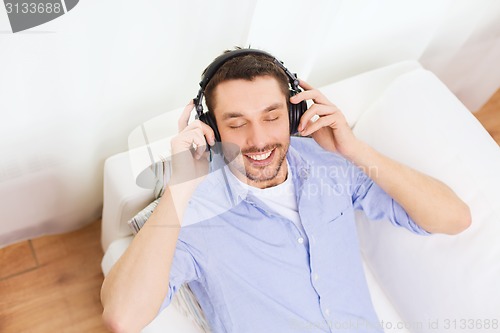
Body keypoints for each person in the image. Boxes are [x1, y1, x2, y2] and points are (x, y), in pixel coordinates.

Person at [100, 48, 471, 333]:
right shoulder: (193, 211)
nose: (259, 139)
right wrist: (179, 189)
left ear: (293, 114)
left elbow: (455, 218)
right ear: (211, 130)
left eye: (272, 116)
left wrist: (354, 149)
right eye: (237, 123)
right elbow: (123, 317)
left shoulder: (328, 163)